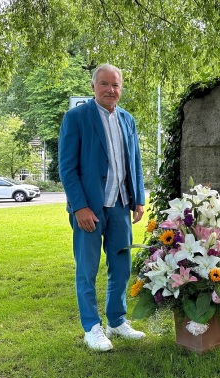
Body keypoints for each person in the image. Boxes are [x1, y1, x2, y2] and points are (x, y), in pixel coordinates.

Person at [59, 63, 146, 351]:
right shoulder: (76, 118)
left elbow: (134, 160)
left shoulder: (127, 119)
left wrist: (139, 198)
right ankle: (91, 327)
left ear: (121, 88)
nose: (111, 89)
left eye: (116, 85)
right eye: (105, 84)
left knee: (121, 266)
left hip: (121, 204)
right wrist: (79, 207)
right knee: (87, 268)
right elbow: (67, 168)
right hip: (90, 209)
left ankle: (117, 321)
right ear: (94, 87)